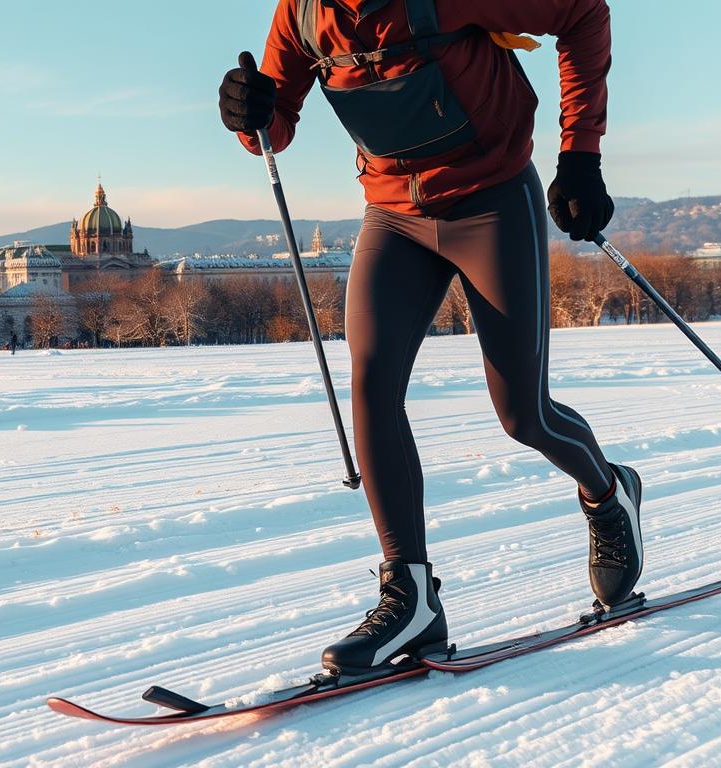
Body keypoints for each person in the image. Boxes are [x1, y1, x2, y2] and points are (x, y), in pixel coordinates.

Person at [220, 0, 639, 675]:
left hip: (492, 201)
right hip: (393, 217)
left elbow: (585, 14)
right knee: (372, 382)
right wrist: (252, 112)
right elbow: (275, 125)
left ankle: (607, 492)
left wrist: (581, 155)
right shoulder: (299, 14)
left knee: (522, 415)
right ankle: (410, 597)